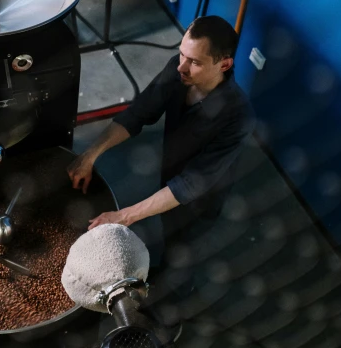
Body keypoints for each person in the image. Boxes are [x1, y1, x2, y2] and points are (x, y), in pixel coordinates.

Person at [67, 16, 255, 248]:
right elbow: (139, 113)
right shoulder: (178, 71)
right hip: (170, 174)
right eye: (181, 54)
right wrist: (89, 156)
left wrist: (123, 216)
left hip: (200, 201)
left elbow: (189, 185)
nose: (181, 66)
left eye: (194, 62)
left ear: (224, 65)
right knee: (167, 230)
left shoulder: (238, 117)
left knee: (182, 248)